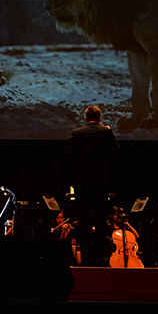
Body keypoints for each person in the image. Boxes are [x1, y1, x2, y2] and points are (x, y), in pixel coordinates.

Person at [64, 105, 119, 266]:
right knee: (100, 221)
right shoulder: (106, 132)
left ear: (86, 118)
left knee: (84, 222)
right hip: (101, 185)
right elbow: (116, 154)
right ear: (100, 118)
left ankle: (87, 259)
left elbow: (68, 161)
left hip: (81, 186)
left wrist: (73, 181)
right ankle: (100, 258)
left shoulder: (77, 134)